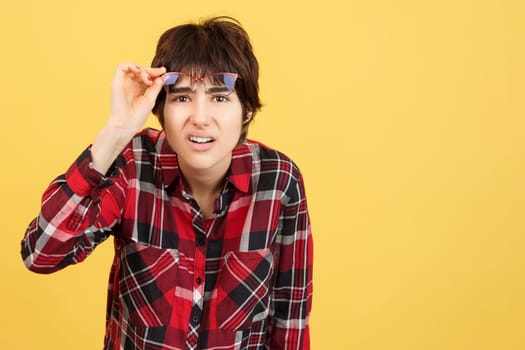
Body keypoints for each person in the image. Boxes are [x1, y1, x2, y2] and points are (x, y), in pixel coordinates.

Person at [21, 16, 313, 350]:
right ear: (160, 109)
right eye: (183, 97)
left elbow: (291, 320)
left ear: (246, 110)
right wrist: (116, 131)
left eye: (219, 98)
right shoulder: (133, 165)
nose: (200, 117)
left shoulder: (279, 182)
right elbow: (41, 254)